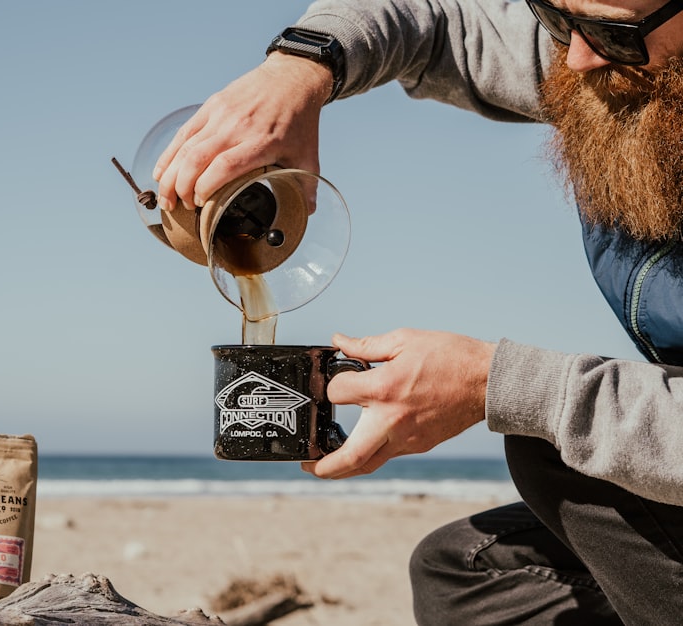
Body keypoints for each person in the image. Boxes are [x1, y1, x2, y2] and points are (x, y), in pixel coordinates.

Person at [152, 0, 683, 623]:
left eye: (612, 36)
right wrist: (298, 69)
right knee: (463, 574)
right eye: (558, 18)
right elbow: (433, 23)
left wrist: (494, 384)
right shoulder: (611, 59)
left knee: (558, 453)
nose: (575, 57)